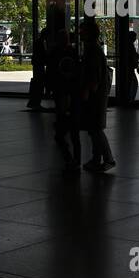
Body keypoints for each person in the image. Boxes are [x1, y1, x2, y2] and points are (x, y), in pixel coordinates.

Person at [79, 17, 115, 172]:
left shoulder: (92, 50)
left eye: (82, 31)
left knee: (95, 129)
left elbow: (94, 75)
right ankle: (96, 159)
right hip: (96, 95)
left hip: (95, 97)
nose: (79, 33)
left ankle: (107, 159)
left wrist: (87, 91)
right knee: (94, 129)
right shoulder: (93, 48)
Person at [49, 29, 81, 171]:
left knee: (62, 121)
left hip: (61, 89)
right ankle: (75, 159)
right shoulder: (72, 52)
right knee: (74, 132)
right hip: (70, 90)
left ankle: (69, 158)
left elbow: (50, 70)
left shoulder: (55, 52)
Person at [26, 25, 48, 111]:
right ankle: (36, 103)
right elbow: (41, 55)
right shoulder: (41, 43)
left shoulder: (38, 42)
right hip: (39, 65)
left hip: (37, 65)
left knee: (37, 84)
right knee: (39, 84)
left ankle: (34, 103)